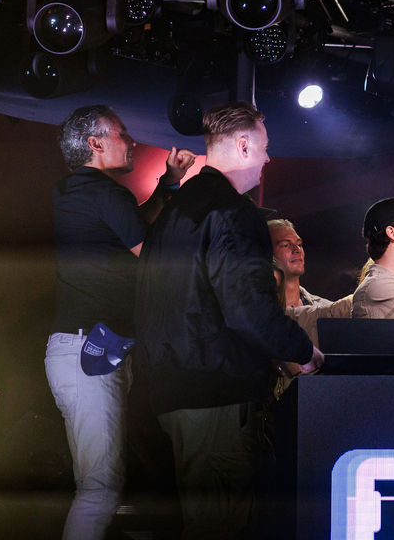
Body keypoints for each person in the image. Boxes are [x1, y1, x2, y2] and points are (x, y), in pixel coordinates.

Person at [134, 102, 321, 539]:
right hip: (215, 396)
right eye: (265, 147)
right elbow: (247, 307)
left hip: (172, 394)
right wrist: (301, 351)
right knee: (223, 526)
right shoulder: (233, 212)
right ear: (242, 144)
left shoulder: (173, 215)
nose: (269, 159)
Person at [45, 105, 194, 540]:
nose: (130, 141)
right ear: (95, 143)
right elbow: (152, 259)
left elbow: (128, 227)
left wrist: (168, 184)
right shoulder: (107, 194)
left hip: (86, 349)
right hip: (88, 350)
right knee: (100, 488)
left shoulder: (75, 191)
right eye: (121, 133)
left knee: (98, 482)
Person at [268, 219, 351, 346]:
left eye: (299, 244)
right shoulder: (255, 312)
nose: (297, 250)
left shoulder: (325, 307)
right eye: (285, 245)